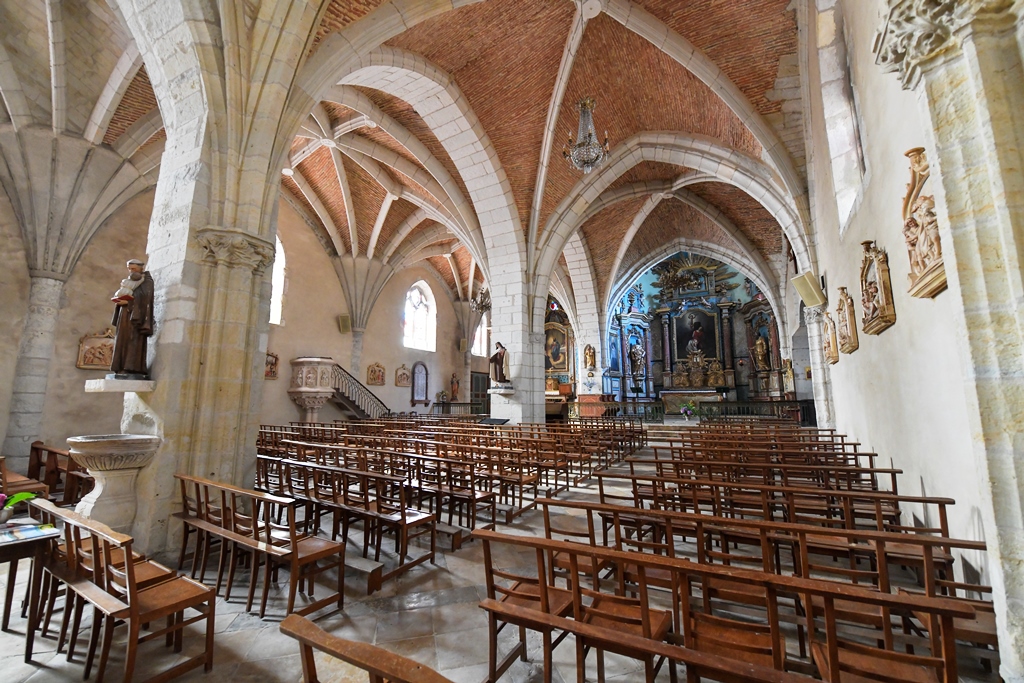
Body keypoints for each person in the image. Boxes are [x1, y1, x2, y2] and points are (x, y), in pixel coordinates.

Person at [110, 259, 154, 377]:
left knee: (133, 339)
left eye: (133, 269)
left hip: (136, 318)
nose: (131, 271)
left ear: (141, 268)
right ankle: (120, 367)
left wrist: (129, 302)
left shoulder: (146, 281)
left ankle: (131, 367)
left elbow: (146, 298)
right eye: (129, 269)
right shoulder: (129, 282)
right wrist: (119, 301)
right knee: (122, 339)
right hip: (124, 314)